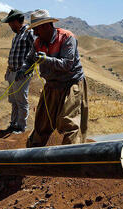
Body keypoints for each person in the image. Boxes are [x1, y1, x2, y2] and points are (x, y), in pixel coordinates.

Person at [16, 9, 88, 147]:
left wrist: (46, 60)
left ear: (45, 26)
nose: (35, 33)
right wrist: (23, 69)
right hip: (51, 85)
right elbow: (30, 59)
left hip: (71, 84)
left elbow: (67, 64)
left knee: (69, 122)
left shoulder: (67, 38)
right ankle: (33, 154)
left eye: (36, 29)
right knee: (42, 122)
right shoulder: (38, 42)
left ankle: (71, 158)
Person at [0, 9, 35, 134]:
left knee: (21, 101)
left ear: (15, 21)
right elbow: (13, 54)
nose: (9, 26)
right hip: (12, 73)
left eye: (10, 23)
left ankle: (21, 127)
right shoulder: (17, 35)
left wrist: (25, 69)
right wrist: (8, 71)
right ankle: (13, 124)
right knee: (13, 100)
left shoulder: (29, 33)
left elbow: (35, 52)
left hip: (22, 74)